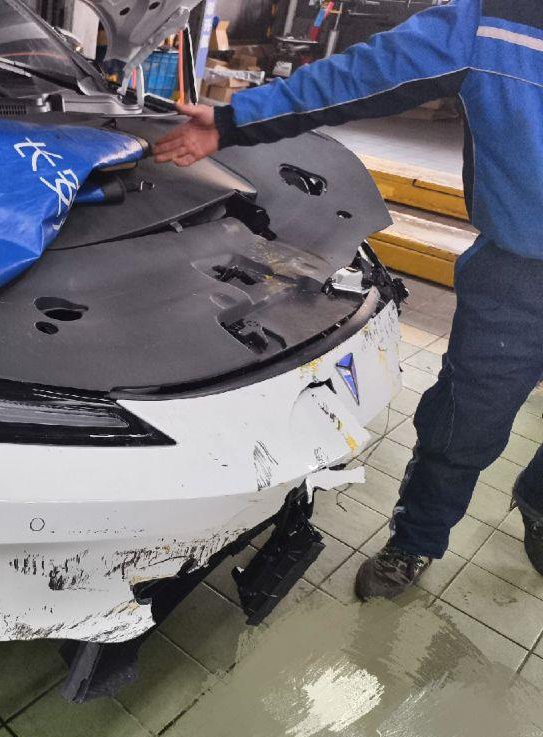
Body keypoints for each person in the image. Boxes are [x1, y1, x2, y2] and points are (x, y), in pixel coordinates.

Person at [154, 0, 543, 600]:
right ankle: (417, 539)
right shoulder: (505, 19)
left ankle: (537, 502)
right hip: (521, 277)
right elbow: (369, 71)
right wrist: (234, 120)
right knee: (465, 421)